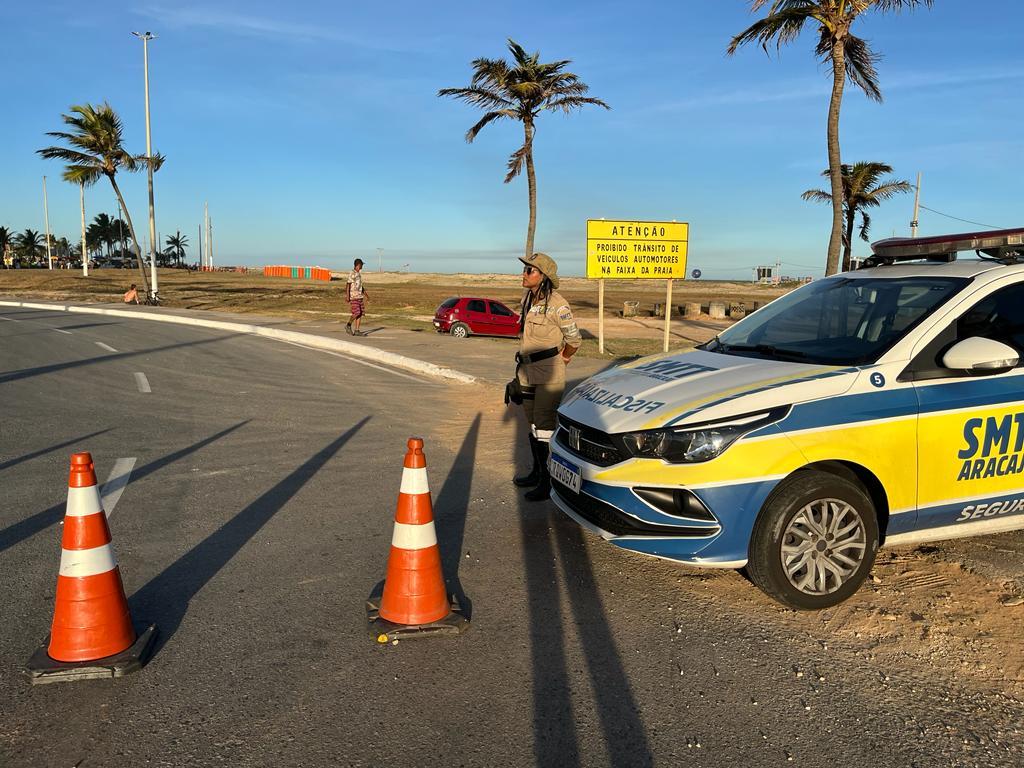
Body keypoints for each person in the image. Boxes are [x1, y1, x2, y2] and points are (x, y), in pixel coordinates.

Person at [513, 252, 582, 501]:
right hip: (526, 371)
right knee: (532, 424)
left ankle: (548, 482)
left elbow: (574, 340)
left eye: (530, 271)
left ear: (543, 277)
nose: (524, 274)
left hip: (549, 373)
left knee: (544, 425)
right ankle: (536, 471)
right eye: (525, 269)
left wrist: (562, 360)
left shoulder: (558, 304)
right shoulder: (529, 300)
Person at [345, 258, 369, 336]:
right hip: (354, 296)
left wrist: (366, 295)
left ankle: (357, 330)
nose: (362, 266)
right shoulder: (352, 273)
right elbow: (348, 284)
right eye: (362, 264)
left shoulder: (358, 274)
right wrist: (348, 296)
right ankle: (348, 325)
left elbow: (361, 287)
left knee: (360, 313)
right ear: (359, 265)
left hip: (359, 296)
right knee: (356, 312)